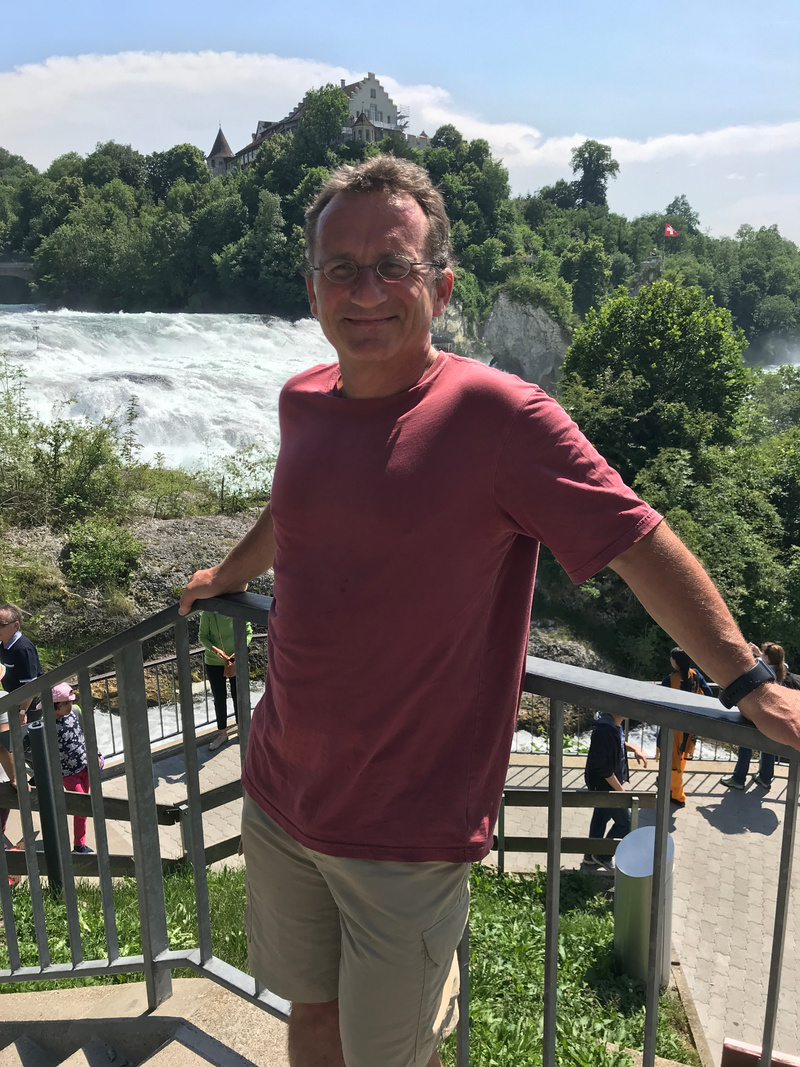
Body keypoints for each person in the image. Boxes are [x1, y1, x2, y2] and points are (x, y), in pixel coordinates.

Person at [179, 156, 800, 1067]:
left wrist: (748, 680)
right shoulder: (302, 400)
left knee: (393, 1056)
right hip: (280, 790)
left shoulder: (502, 418)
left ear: (441, 285)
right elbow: (292, 504)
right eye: (341, 268)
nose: (365, 291)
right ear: (311, 287)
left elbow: (635, 539)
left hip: (404, 827)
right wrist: (225, 573)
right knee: (310, 1017)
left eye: (393, 265)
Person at [722, 642, 800, 792]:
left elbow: (752, 666)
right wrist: (760, 654)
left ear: (768, 658)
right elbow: (777, 664)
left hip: (757, 715)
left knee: (745, 745)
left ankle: (738, 779)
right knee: (768, 746)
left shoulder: (762, 671)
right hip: (774, 717)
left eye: (764, 654)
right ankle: (765, 778)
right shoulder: (782, 671)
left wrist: (753, 654)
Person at [583, 712, 648, 871]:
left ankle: (590, 855)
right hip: (606, 787)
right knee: (626, 823)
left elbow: (617, 743)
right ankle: (603, 856)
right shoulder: (604, 730)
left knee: (600, 818)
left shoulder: (613, 726)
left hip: (607, 786)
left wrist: (634, 748)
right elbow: (604, 769)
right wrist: (621, 791)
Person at [0, 603, 42, 843]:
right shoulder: (4, 644)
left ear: (15, 625)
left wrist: (23, 711)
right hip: (12, 703)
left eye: (0, 625)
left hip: (28, 705)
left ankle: (41, 778)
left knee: (24, 745)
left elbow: (31, 686)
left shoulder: (23, 648)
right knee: (14, 744)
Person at [51, 682, 103, 854]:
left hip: (84, 766)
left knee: (83, 806)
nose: (70, 705)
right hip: (67, 774)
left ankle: (79, 843)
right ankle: (78, 844)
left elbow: (85, 735)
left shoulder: (75, 712)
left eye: (71, 701)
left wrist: (96, 754)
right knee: (81, 806)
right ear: (55, 704)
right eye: (65, 703)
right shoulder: (47, 725)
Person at [658, 647, 713, 805]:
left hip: (673, 726)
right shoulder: (696, 675)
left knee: (672, 761)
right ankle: (671, 786)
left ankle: (677, 795)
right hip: (690, 725)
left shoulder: (669, 681)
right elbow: (709, 694)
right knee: (680, 759)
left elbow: (660, 701)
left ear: (675, 662)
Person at [198, 610, 253, 751]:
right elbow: (202, 637)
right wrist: (215, 650)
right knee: (219, 698)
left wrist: (239, 649)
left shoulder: (238, 610)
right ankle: (222, 734)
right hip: (214, 662)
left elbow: (248, 632)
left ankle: (242, 730)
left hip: (236, 660)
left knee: (239, 696)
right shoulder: (208, 613)